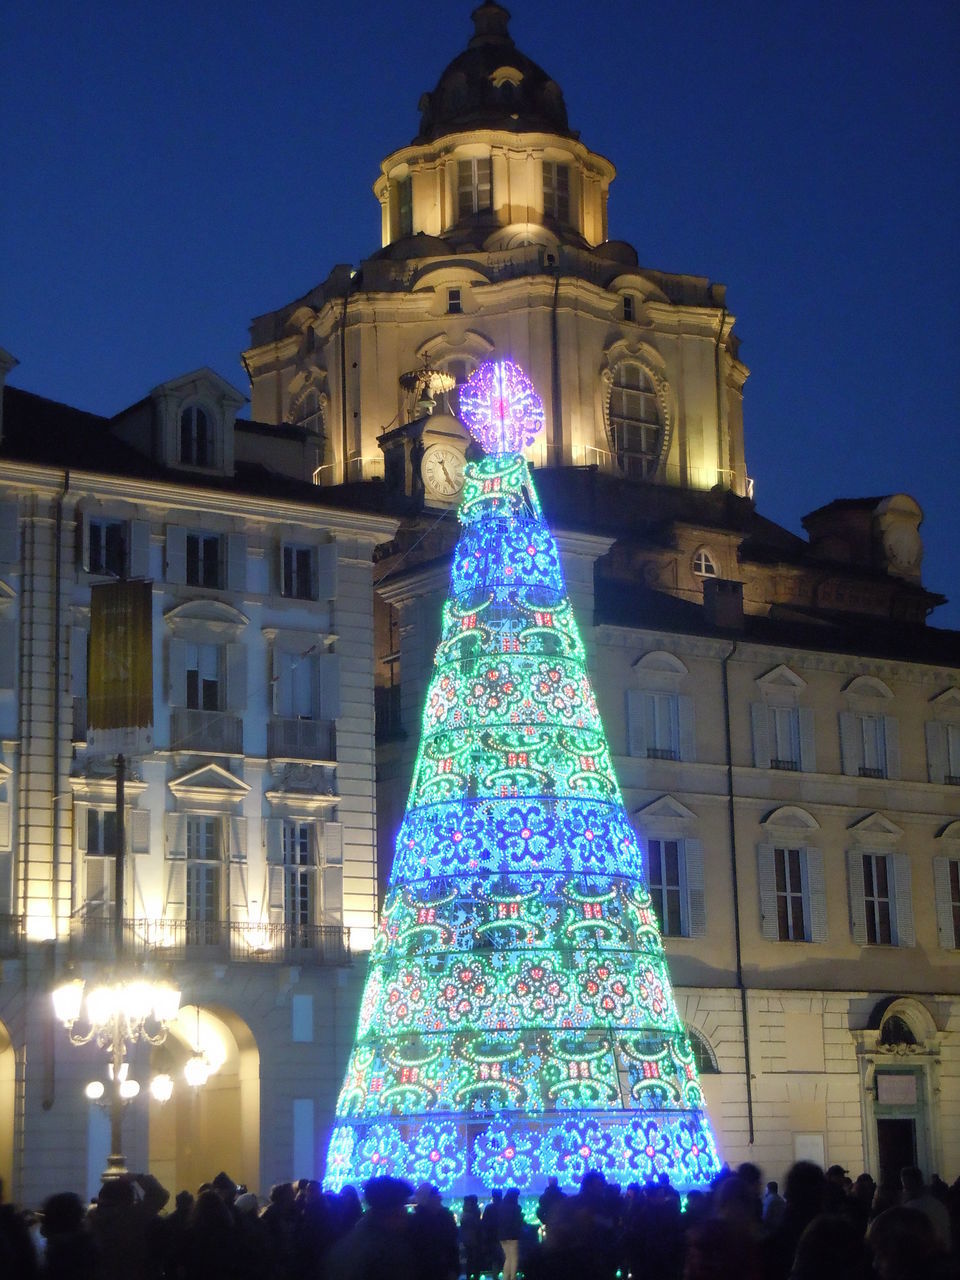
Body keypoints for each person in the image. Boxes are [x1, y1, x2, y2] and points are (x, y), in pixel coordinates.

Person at [325, 1176, 417, 1280]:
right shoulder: (388, 1252)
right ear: (392, 1210)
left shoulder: (353, 1240)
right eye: (403, 1206)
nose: (405, 1213)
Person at [899, 1166, 952, 1251]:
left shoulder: (910, 1209)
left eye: (904, 1186)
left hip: (924, 1256)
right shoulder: (938, 1204)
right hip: (943, 1253)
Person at [497, 1188, 524, 1280]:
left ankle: (506, 1277)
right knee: (514, 1258)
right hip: (513, 1235)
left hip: (502, 1235)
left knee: (508, 1258)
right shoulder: (516, 1208)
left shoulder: (501, 1206)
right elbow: (518, 1222)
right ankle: (513, 1277)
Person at [459, 1194, 483, 1280]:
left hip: (467, 1239)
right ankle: (476, 1276)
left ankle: (469, 1276)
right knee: (476, 1260)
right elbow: (477, 1225)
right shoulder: (474, 1212)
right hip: (475, 1239)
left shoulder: (465, 1213)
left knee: (469, 1259)